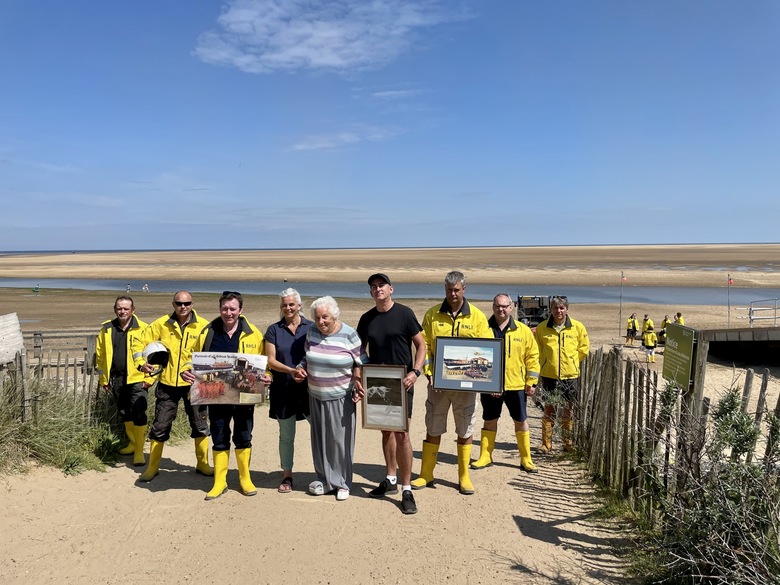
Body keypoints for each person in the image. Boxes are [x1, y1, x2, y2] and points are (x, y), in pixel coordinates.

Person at [182, 291, 271, 500]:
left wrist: (267, 376)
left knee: (243, 435)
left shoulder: (254, 334)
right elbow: (191, 358)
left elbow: (265, 362)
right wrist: (187, 370)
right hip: (216, 396)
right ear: (219, 309)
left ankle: (244, 478)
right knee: (219, 435)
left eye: (232, 309)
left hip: (244, 396)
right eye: (224, 308)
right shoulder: (207, 332)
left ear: (241, 310)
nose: (228, 313)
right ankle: (219, 481)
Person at [411, 271, 491, 495]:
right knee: (433, 426)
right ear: (444, 290)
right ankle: (426, 473)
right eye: (449, 290)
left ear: (465, 289)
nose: (453, 294)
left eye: (456, 290)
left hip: (466, 386)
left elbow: (485, 351)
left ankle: (463, 476)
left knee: (465, 428)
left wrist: (482, 379)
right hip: (437, 384)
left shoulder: (476, 317)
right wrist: (429, 373)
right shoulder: (432, 315)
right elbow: (423, 347)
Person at [356, 273, 425, 515]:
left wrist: (416, 371)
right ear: (371, 292)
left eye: (381, 285)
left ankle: (407, 488)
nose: (377, 289)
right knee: (386, 431)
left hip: (402, 382)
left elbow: (421, 345)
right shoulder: (367, 318)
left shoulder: (405, 314)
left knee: (403, 433)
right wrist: (360, 375)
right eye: (373, 287)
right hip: (377, 381)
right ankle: (391, 479)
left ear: (391, 289)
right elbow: (359, 351)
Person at [133, 291, 212, 482]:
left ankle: (202, 463)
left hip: (194, 384)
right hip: (167, 384)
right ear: (173, 304)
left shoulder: (203, 326)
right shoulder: (161, 323)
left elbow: (209, 354)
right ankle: (152, 467)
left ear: (193, 304)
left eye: (186, 303)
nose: (182, 307)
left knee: (200, 424)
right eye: (179, 303)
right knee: (160, 426)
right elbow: (138, 341)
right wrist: (141, 362)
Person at [292, 296, 363, 501]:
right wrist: (300, 367)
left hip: (340, 396)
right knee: (320, 440)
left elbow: (360, 362)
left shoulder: (349, 334)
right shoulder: (312, 331)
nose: (321, 322)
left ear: (334, 316)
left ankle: (342, 483)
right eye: (317, 317)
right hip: (315, 394)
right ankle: (324, 479)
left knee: (340, 441)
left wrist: (358, 381)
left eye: (325, 317)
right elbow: (307, 356)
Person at [471, 294, 540, 473]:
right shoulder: (483, 329)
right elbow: (475, 356)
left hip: (516, 385)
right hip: (490, 385)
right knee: (489, 419)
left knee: (520, 420)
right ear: (493, 307)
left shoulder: (523, 330)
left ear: (511, 307)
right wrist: (487, 383)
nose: (501, 309)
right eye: (497, 306)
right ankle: (486, 456)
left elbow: (532, 357)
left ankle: (526, 458)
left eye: (504, 306)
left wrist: (531, 382)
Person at [264, 288, 313, 494]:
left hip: (310, 390)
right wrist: (291, 370)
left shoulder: (312, 327)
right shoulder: (274, 330)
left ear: (300, 306)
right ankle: (287, 475)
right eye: (284, 305)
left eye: (292, 304)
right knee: (286, 436)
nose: (288, 308)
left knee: (320, 431)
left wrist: (304, 371)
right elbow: (271, 360)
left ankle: (325, 473)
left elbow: (319, 352)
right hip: (283, 389)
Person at [95, 296, 151, 466]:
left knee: (139, 412)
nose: (123, 311)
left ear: (133, 310)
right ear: (115, 310)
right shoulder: (107, 328)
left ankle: (140, 451)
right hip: (118, 378)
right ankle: (132, 444)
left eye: (126, 308)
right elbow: (100, 356)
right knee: (124, 412)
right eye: (119, 308)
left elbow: (153, 356)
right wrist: (104, 379)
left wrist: (150, 378)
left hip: (138, 378)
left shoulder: (144, 328)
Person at [535, 296, 590, 453]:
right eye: (555, 308)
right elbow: (537, 350)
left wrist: (571, 362)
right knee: (549, 409)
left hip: (570, 375)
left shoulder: (578, 327)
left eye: (561, 308)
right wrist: (545, 364)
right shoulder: (542, 328)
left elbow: (583, 349)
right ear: (550, 309)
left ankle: (568, 442)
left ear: (567, 309)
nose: (558, 311)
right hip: (549, 375)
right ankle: (546, 444)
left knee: (568, 409)